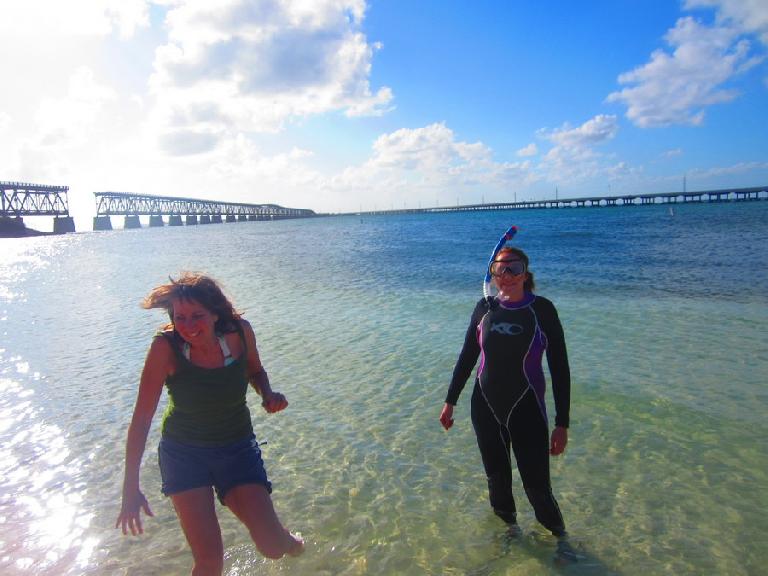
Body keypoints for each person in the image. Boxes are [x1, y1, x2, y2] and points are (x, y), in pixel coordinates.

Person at [116, 273, 303, 574]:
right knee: (209, 561)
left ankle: (293, 544)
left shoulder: (240, 335)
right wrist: (130, 487)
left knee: (272, 546)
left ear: (216, 313)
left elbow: (255, 370)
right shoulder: (165, 348)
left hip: (237, 448)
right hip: (184, 455)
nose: (188, 326)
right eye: (181, 317)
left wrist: (267, 394)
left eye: (197, 316)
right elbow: (141, 420)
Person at [439, 244, 571, 538]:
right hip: (484, 407)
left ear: (526, 274)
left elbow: (560, 367)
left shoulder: (542, 310)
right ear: (493, 274)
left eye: (516, 268)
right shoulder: (484, 309)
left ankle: (561, 540)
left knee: (536, 486)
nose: (508, 274)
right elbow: (467, 357)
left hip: (528, 410)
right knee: (497, 480)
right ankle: (510, 532)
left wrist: (562, 423)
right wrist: (450, 401)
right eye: (502, 268)